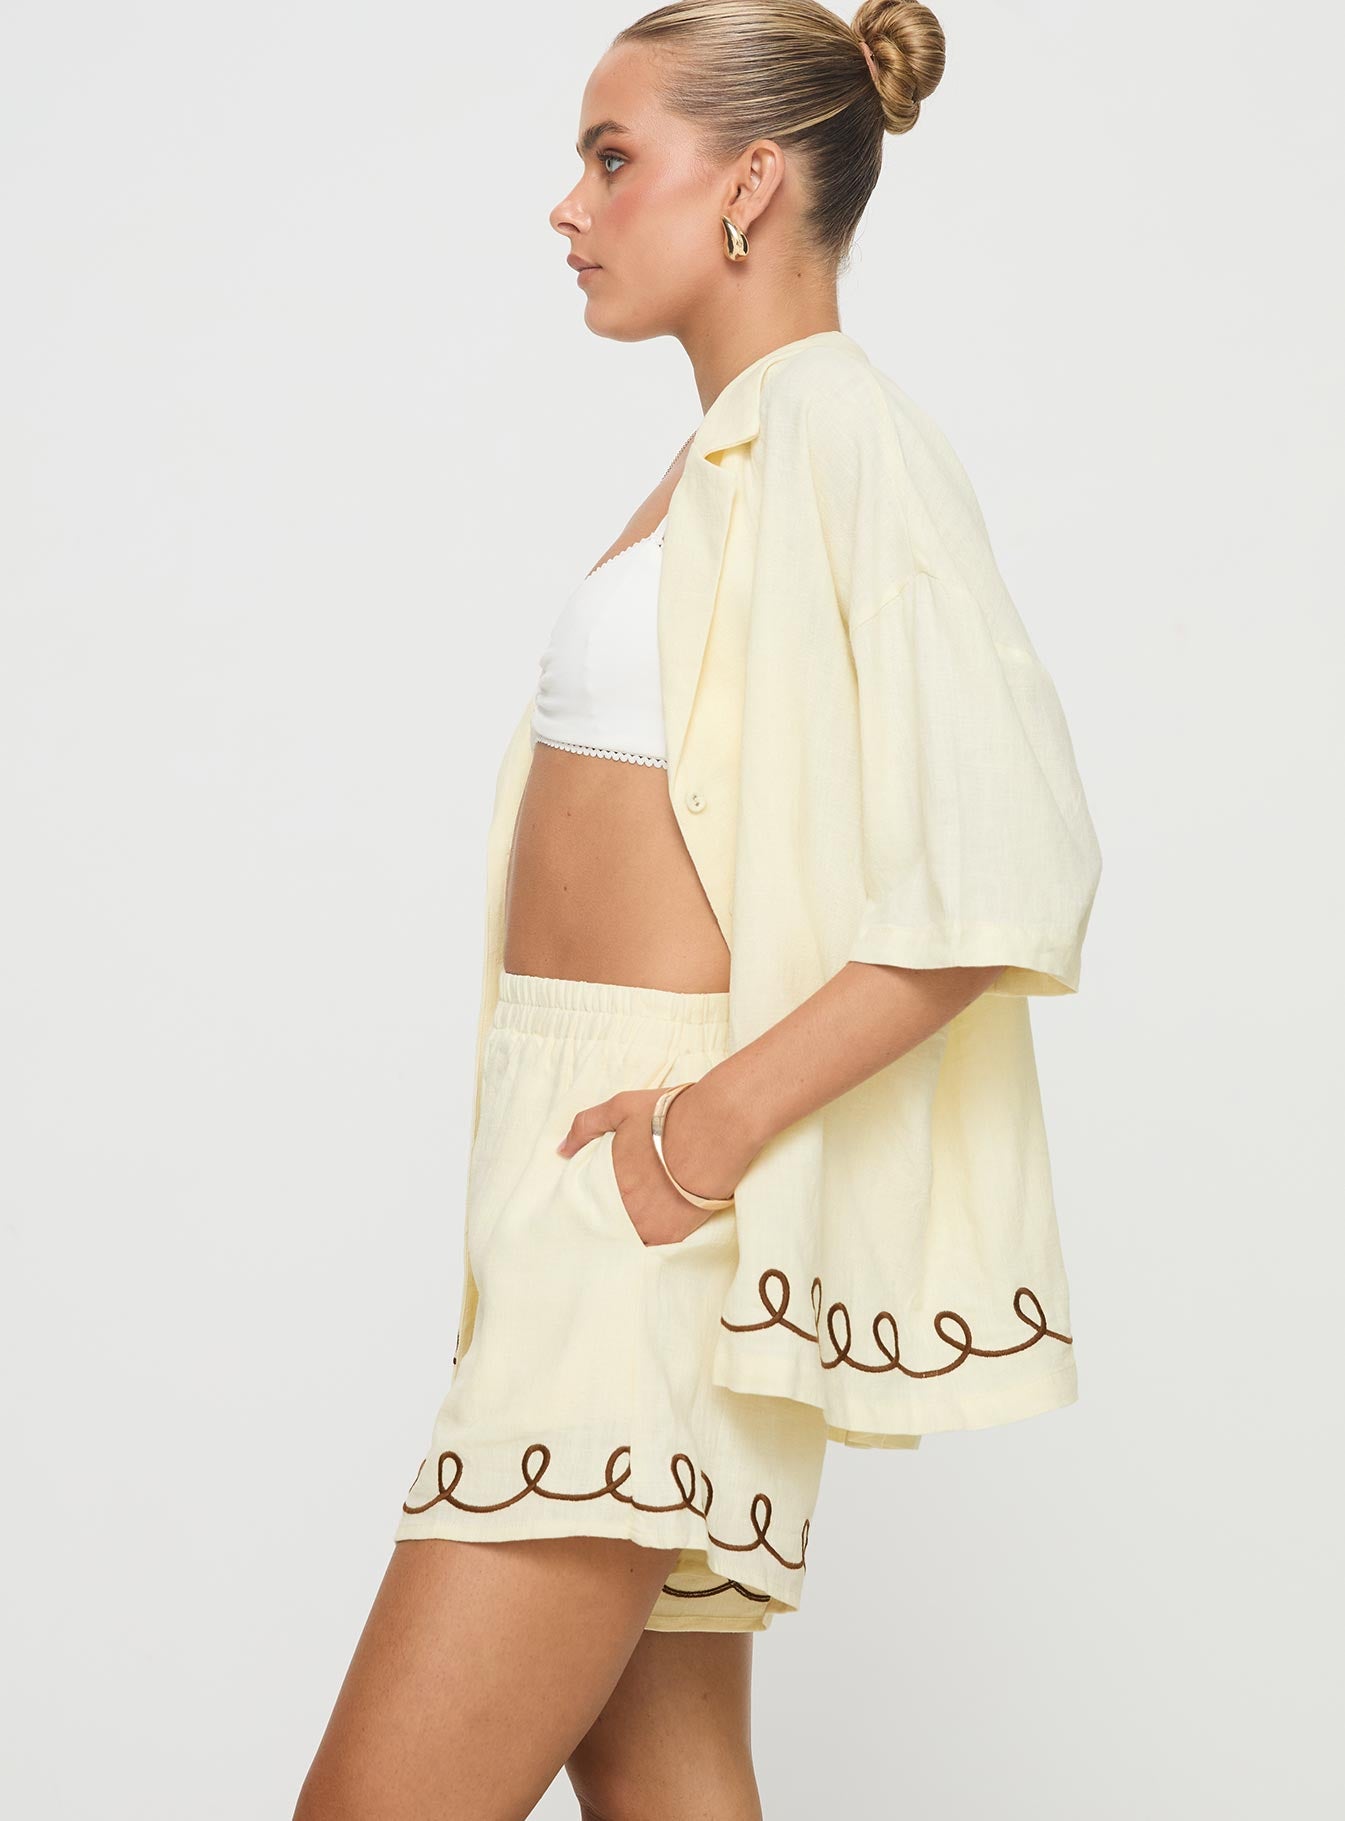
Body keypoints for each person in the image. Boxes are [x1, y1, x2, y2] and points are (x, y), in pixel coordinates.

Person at [293, 3, 1102, 1817]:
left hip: (649, 1198)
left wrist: (692, 1139)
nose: (567, 207)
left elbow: (1004, 869)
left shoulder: (839, 435)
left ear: (747, 185)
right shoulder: (733, 449)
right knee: (664, 1774)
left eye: (611, 159)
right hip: (578, 1174)